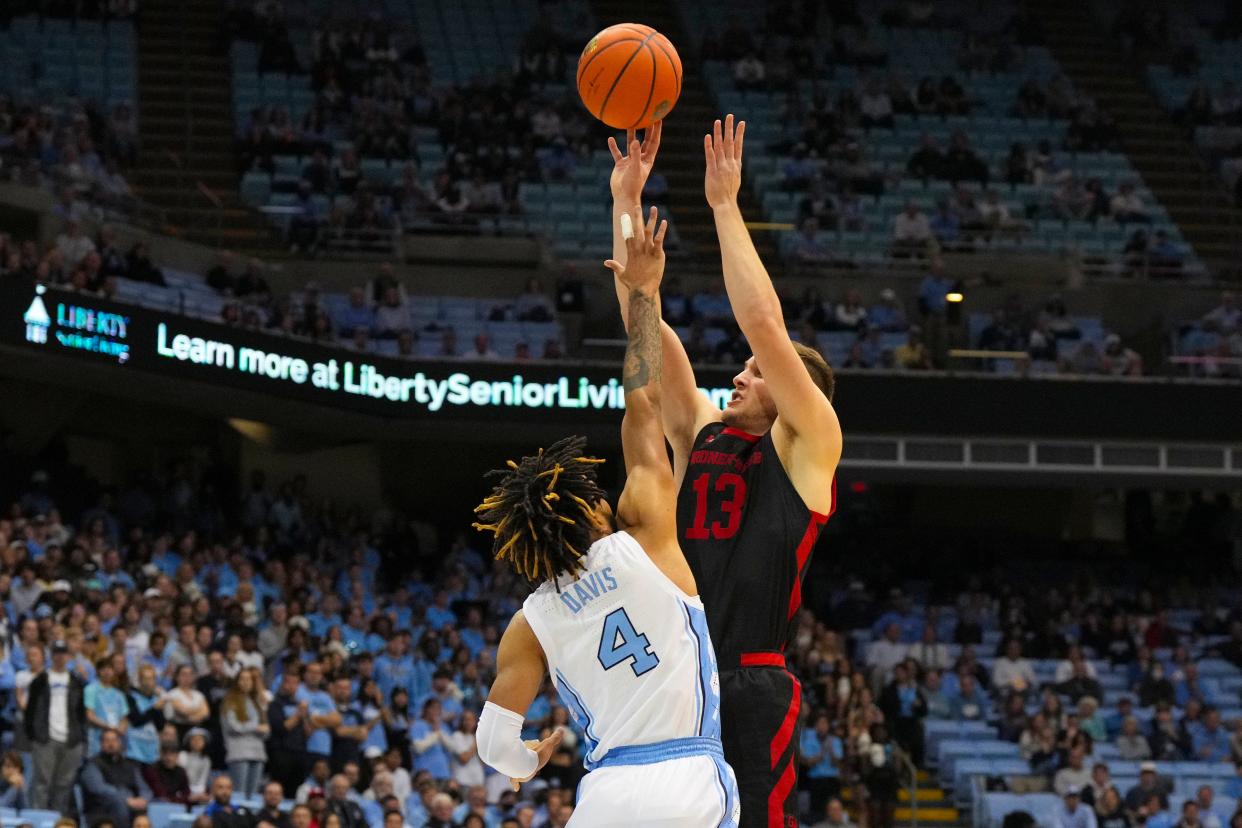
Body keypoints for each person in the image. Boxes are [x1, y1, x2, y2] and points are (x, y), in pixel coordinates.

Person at [472, 203, 740, 825]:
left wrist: (521, 760)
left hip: (607, 792)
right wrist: (643, 295)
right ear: (591, 510)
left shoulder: (531, 620)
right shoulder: (643, 529)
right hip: (687, 777)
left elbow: (492, 740)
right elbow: (642, 398)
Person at [608, 115, 840, 828]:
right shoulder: (704, 431)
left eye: (756, 373)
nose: (739, 376)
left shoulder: (808, 447)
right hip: (676, 677)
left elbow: (765, 326)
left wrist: (723, 204)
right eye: (740, 370)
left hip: (749, 678)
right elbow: (647, 337)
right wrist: (624, 207)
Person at [27, 638, 87, 813]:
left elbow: (81, 712)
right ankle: (38, 819)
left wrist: (80, 737)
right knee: (42, 783)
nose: (60, 657)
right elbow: (30, 711)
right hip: (45, 737)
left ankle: (57, 820)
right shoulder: (40, 680)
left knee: (64, 785)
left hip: (71, 739)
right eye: (56, 653)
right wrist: (34, 735)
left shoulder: (77, 682)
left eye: (63, 653)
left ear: (68, 656)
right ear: (51, 656)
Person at [79, 728, 152, 828]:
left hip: (131, 805)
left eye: (114, 740)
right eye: (107, 741)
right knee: (119, 803)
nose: (111, 744)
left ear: (120, 743)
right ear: (101, 744)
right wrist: (125, 799)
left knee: (148, 809)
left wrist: (144, 799)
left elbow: (144, 787)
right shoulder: (93, 764)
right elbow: (98, 788)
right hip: (102, 809)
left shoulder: (129, 765)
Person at [223, 668, 270, 798]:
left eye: (249, 679)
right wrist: (256, 727)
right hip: (239, 752)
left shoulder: (257, 702)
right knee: (239, 791)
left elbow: (266, 730)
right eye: (242, 679)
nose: (245, 682)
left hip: (258, 752)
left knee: (254, 793)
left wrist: (263, 729)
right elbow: (233, 726)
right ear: (237, 681)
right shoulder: (230, 701)